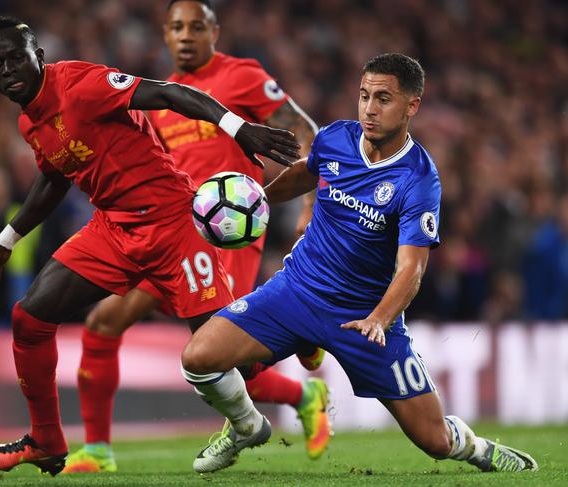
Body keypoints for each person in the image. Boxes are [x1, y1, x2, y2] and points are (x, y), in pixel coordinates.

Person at [179, 53, 539, 474]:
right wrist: (259, 199)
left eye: (383, 98)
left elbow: (412, 269)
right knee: (198, 358)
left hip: (362, 316)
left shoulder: (419, 179)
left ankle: (476, 447)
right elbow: (307, 171)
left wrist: (379, 319)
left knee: (435, 442)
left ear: (412, 105)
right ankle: (244, 426)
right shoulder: (335, 138)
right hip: (296, 290)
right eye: (364, 96)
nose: (369, 108)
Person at [0, 15, 300, 476]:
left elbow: (169, 93)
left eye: (13, 58)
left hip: (175, 226)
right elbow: (52, 179)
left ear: (38, 57)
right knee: (30, 317)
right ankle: (46, 439)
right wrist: (5, 241)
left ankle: (296, 345)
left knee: (233, 358)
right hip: (113, 230)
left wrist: (239, 129)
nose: (5, 70)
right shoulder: (31, 122)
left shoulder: (81, 86)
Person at [62, 0, 329, 473]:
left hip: (230, 237)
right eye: (177, 27)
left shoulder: (242, 75)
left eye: (196, 26)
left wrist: (310, 202)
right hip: (172, 235)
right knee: (104, 322)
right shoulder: (161, 97)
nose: (186, 35)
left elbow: (302, 130)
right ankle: (98, 451)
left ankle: (301, 360)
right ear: (165, 35)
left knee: (225, 356)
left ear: (215, 32)